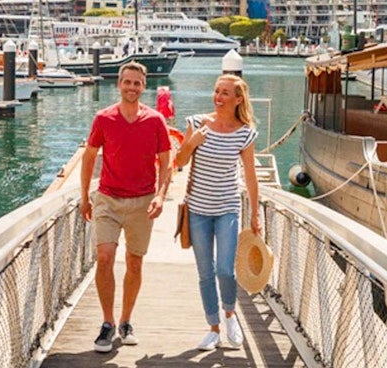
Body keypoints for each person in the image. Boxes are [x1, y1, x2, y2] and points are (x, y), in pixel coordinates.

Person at [80, 62, 172, 353]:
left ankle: (126, 320)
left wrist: (160, 195)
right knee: (105, 257)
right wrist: (85, 196)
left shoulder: (156, 120)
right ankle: (107, 323)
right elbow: (89, 157)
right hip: (107, 198)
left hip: (142, 201)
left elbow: (167, 162)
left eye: (137, 83)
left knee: (135, 262)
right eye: (127, 82)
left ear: (143, 87)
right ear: (118, 84)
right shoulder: (103, 118)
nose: (132, 87)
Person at [174, 73, 260, 351]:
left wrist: (255, 215)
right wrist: (191, 142)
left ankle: (230, 314)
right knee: (205, 272)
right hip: (197, 209)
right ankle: (213, 328)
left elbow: (250, 177)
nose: (218, 97)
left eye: (225, 93)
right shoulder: (197, 123)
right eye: (216, 91)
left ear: (238, 99)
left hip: (227, 208)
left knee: (225, 269)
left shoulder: (245, 132)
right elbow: (179, 162)